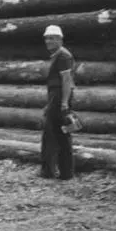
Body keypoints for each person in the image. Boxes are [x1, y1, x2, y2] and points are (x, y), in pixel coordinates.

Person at [40, 24, 76, 180]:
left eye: (52, 38)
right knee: (59, 134)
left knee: (55, 134)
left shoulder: (63, 56)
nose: (48, 41)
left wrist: (64, 103)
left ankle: (53, 171)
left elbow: (67, 81)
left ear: (60, 39)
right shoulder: (58, 55)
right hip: (56, 97)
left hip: (60, 97)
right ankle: (62, 172)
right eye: (47, 38)